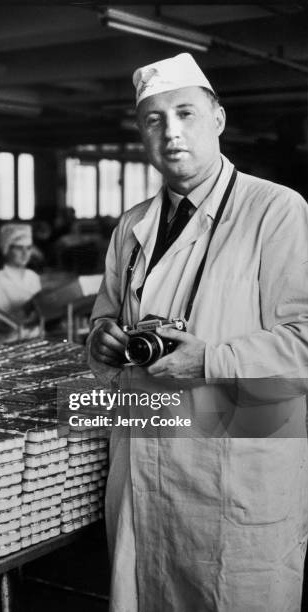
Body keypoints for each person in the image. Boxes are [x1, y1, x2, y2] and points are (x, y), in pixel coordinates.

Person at [87, 53, 308, 611]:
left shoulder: (276, 211)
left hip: (233, 472)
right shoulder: (132, 225)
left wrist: (211, 360)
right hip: (143, 460)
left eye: (185, 112)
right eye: (153, 120)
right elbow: (103, 319)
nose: (171, 132)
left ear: (219, 119)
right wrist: (100, 340)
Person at [0, 223, 42, 330]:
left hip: (36, 335)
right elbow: (0, 320)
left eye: (28, 248)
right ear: (6, 250)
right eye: (19, 248)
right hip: (12, 339)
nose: (25, 253)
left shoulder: (33, 277)